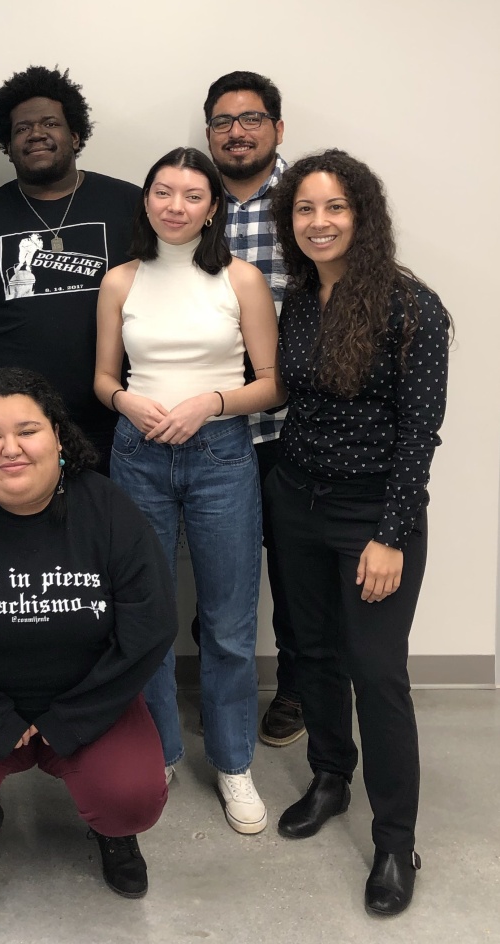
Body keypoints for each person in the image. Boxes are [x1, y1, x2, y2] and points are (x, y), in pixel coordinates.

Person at [0, 368, 176, 900]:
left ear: (58, 437)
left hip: (90, 703)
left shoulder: (107, 508)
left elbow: (150, 624)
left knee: (130, 797)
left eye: (27, 430)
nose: (9, 448)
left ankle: (114, 831)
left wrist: (72, 719)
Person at [266, 150, 450, 917]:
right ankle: (331, 777)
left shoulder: (412, 307)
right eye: (305, 209)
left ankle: (395, 841)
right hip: (295, 502)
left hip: (372, 514)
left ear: (362, 215)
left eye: (335, 207)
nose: (319, 222)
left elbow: (419, 433)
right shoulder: (301, 299)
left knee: (376, 673)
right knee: (311, 653)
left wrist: (391, 534)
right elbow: (290, 397)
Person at [94, 147, 285, 834]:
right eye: (163, 192)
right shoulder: (120, 280)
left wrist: (211, 403)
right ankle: (161, 751)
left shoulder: (241, 279)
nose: (175, 206)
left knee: (229, 624)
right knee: (145, 616)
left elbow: (273, 384)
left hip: (220, 456)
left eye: (193, 195)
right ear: (146, 200)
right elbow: (102, 379)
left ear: (212, 209)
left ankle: (233, 763)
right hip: (137, 454)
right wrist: (123, 400)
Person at [0, 66, 141, 469]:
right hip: (19, 435)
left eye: (50, 123)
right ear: (7, 146)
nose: (36, 134)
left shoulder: (129, 205)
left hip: (123, 421)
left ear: (75, 135)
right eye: (22, 128)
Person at [203, 70, 303, 747]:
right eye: (223, 121)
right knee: (215, 572)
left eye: (251, 119)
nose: (236, 132)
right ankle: (216, 683)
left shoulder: (305, 201)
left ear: (277, 128)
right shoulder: (190, 199)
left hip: (290, 426)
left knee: (294, 570)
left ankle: (295, 687)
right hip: (208, 426)